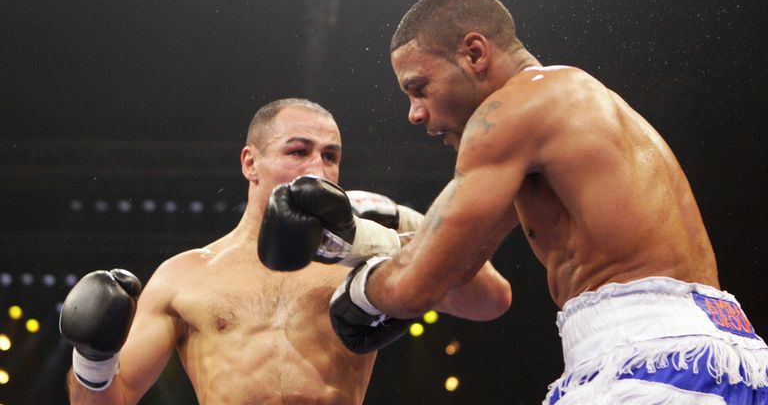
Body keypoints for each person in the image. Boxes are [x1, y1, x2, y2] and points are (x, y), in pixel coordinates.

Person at [314, 0, 767, 404]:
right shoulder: (567, 104)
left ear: (474, 53)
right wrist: (362, 242)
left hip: (644, 358)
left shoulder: (509, 113)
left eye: (419, 88)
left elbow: (418, 284)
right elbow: (456, 261)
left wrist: (361, 295)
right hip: (727, 354)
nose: (414, 113)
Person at [59, 98, 512, 405]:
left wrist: (404, 223)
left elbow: (489, 300)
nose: (318, 167)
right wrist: (93, 360)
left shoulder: (367, 256)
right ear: (250, 163)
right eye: (298, 151)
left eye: (331, 155)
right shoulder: (185, 275)